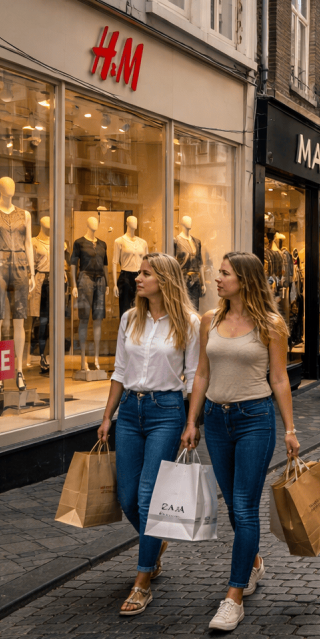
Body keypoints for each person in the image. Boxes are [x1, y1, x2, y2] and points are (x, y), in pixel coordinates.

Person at [183, 252, 298, 631]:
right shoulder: (209, 321)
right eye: (219, 273)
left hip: (255, 420)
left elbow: (280, 379)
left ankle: (233, 597)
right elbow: (201, 374)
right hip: (216, 420)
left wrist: (290, 429)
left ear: (245, 280)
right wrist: (192, 421)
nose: (217, 279)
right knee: (232, 505)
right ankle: (253, 562)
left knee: (245, 508)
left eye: (225, 273)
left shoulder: (271, 324)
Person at [98, 253, 199, 616]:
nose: (137, 279)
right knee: (127, 497)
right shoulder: (129, 318)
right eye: (138, 273)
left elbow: (193, 377)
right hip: (129, 412)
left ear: (165, 281)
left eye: (145, 274)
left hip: (166, 412)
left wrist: (191, 422)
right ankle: (155, 544)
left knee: (147, 495)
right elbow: (119, 372)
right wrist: (107, 415)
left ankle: (142, 580)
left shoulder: (188, 322)